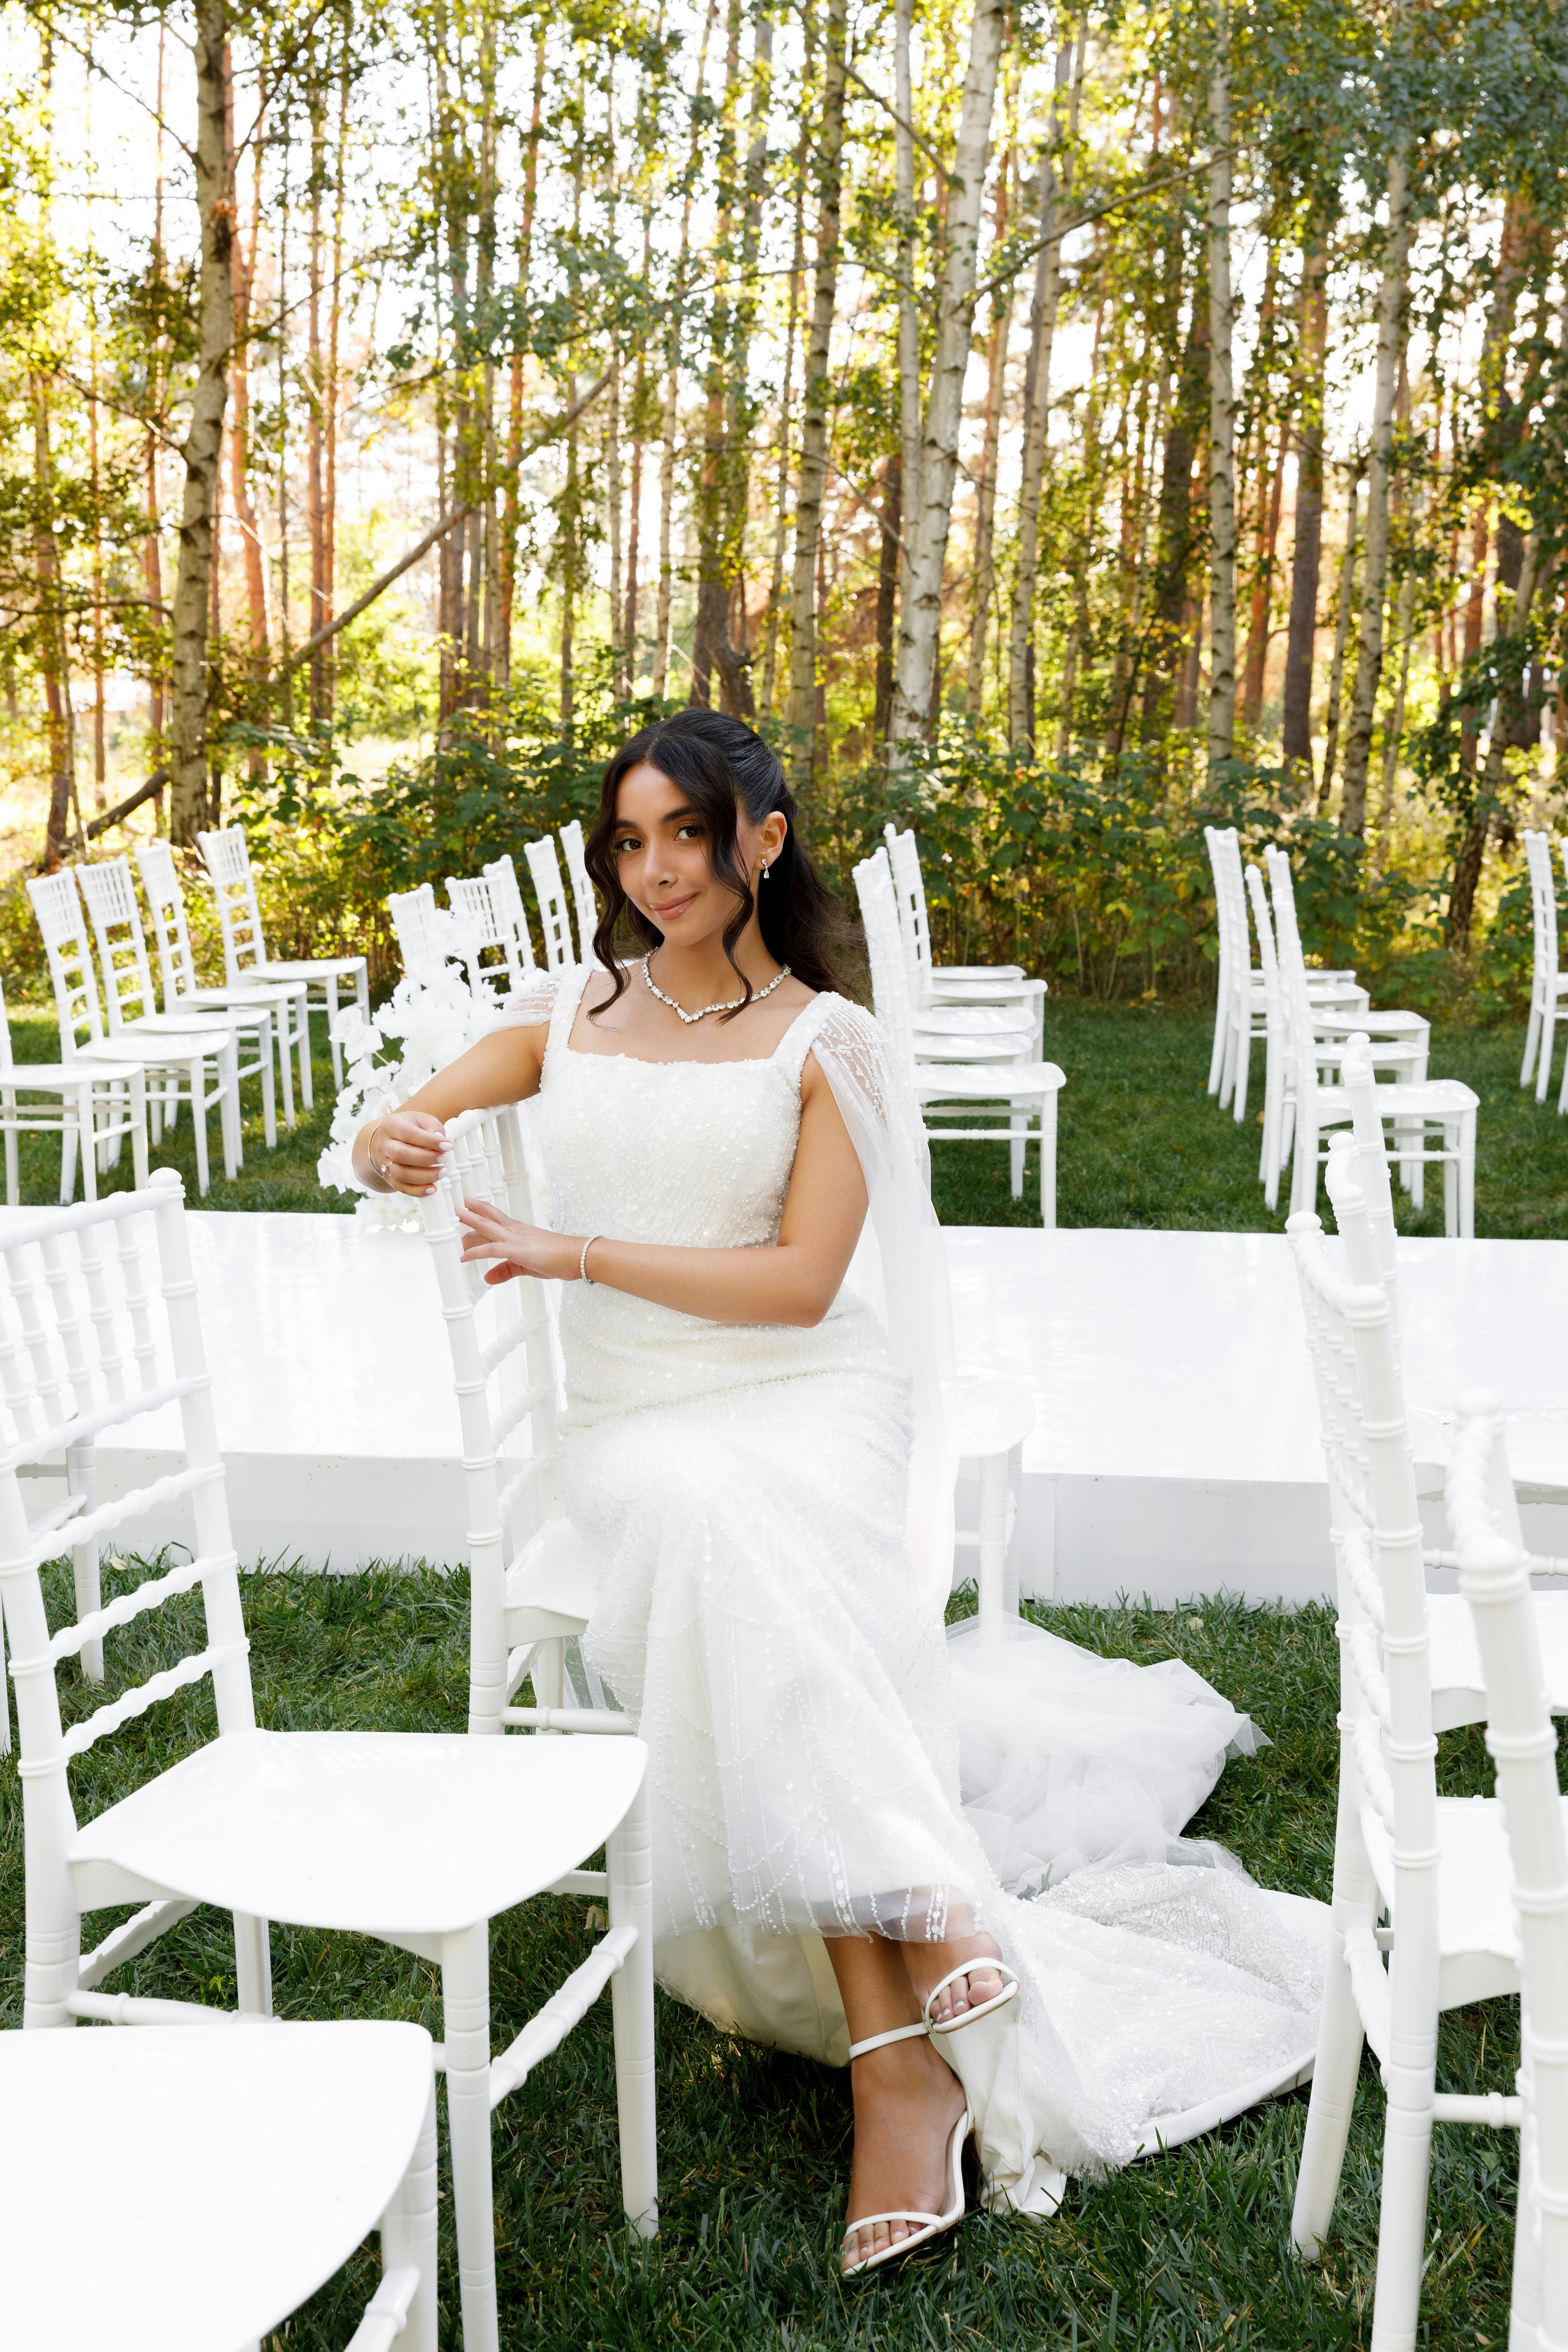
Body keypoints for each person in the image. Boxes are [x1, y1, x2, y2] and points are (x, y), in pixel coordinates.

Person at [352, 709, 1325, 2275]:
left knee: (730, 1523)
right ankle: (916, 1958)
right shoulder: (567, 1013)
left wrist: (567, 1251)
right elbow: (410, 1117)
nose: (656, 868)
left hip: (804, 1399)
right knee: (692, 1511)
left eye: (686, 832)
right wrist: (386, 1138)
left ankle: (894, 2061)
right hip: (631, 1417)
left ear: (762, 837)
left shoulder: (830, 1039)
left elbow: (805, 1287)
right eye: (629, 838)